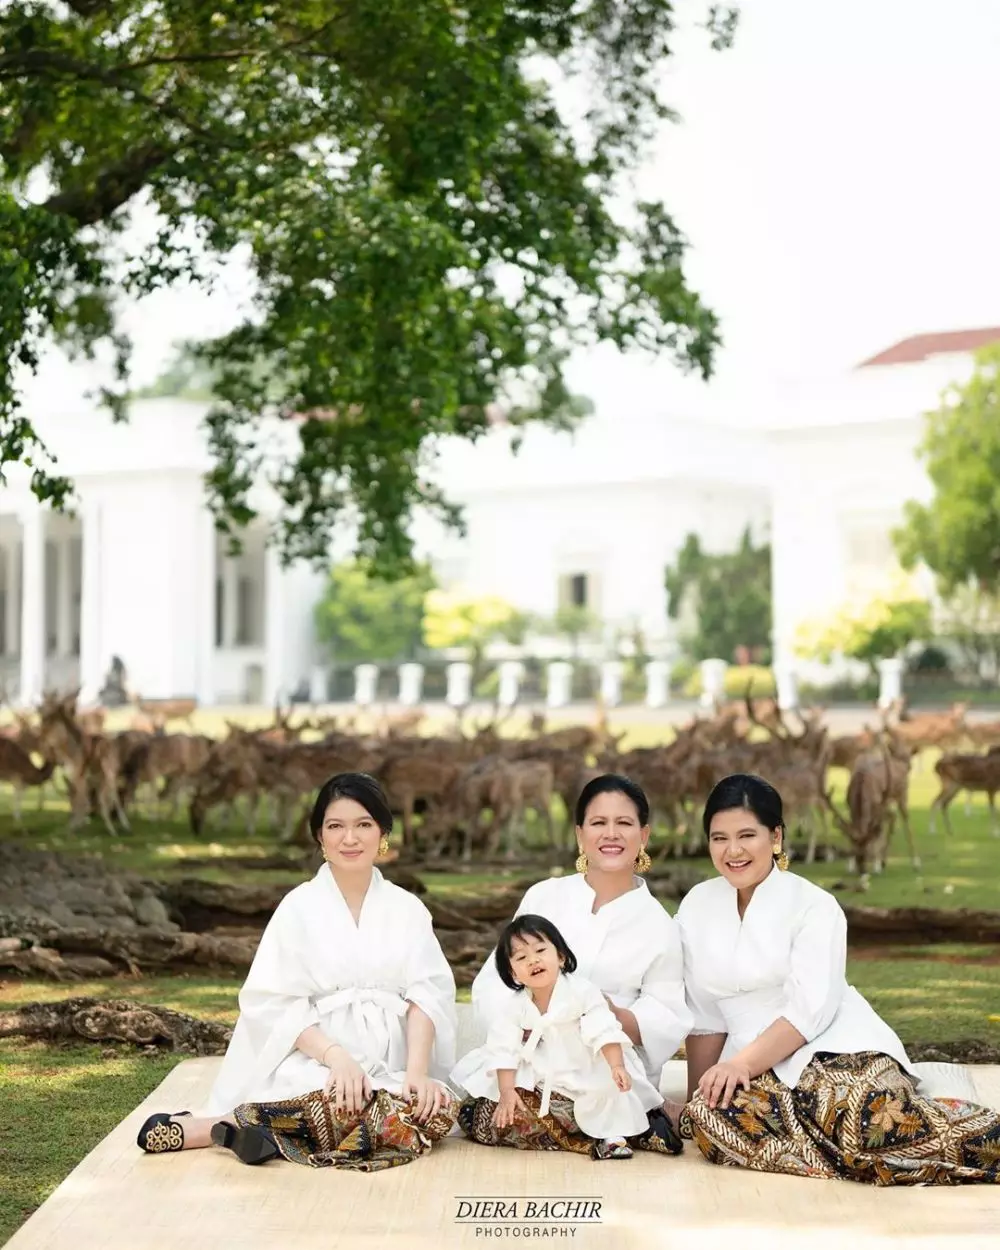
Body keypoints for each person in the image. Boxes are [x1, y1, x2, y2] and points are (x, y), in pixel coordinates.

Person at [677, 772, 1000, 1184]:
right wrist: (696, 1096)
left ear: (775, 838)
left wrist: (739, 1064)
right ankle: (851, 1158)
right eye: (719, 838)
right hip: (757, 1070)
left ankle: (931, 1134)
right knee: (709, 1121)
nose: (733, 850)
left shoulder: (815, 905)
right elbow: (705, 1017)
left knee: (868, 1122)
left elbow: (810, 1010)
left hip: (834, 1047)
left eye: (747, 835)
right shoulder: (697, 905)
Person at [136, 772, 459, 1171]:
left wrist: (417, 1073)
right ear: (320, 837)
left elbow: (427, 995)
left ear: (383, 832)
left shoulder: (408, 908)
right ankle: (222, 1126)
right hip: (317, 1060)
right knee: (337, 1098)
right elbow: (275, 1001)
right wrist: (337, 1058)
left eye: (363, 825)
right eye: (335, 826)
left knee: (438, 1110)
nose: (350, 838)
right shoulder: (298, 906)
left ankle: (256, 1130)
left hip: (391, 1062)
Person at [469, 773, 690, 1154]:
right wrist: (525, 1024)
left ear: (645, 835)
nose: (611, 834)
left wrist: (610, 1014)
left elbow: (666, 1014)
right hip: (533, 1055)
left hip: (604, 1061)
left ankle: (619, 1117)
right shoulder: (545, 896)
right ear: (579, 834)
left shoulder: (659, 924)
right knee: (489, 1113)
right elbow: (496, 980)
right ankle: (629, 1126)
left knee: (593, 1093)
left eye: (624, 823)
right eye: (598, 823)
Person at [453, 915, 665, 1159]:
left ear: (561, 957)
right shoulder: (515, 1006)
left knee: (606, 1088)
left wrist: (616, 1065)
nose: (533, 960)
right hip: (544, 1063)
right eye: (521, 957)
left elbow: (603, 1028)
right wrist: (506, 1091)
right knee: (492, 1100)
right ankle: (567, 1125)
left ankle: (614, 1136)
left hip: (586, 1060)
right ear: (514, 974)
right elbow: (504, 1048)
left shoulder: (582, 991)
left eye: (540, 950)